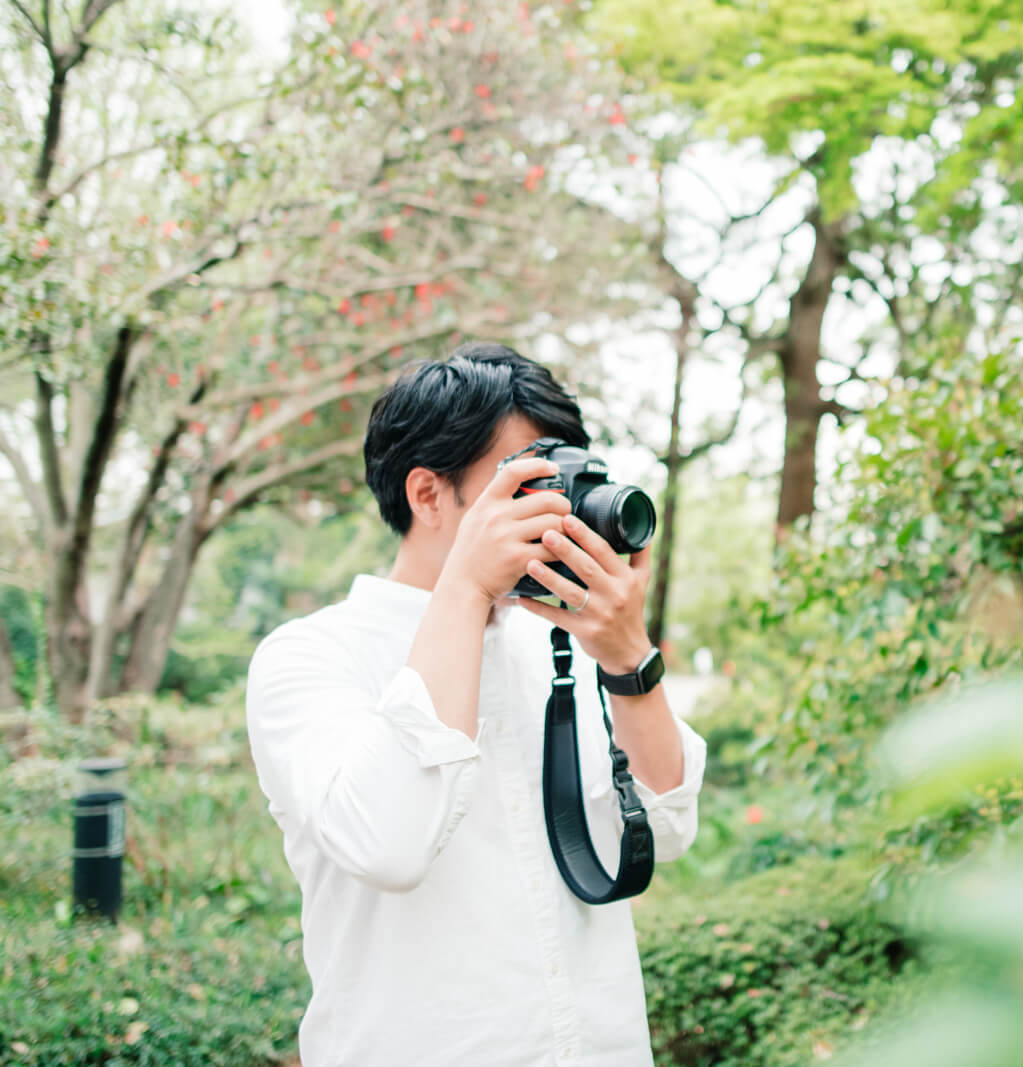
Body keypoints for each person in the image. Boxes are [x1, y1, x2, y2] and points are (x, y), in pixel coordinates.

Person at [246, 342, 706, 1067]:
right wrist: (463, 590)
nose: (557, 507)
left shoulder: (562, 642)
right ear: (429, 495)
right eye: (526, 482)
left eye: (564, 479)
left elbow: (667, 831)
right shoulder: (309, 658)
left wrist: (627, 661)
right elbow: (389, 844)